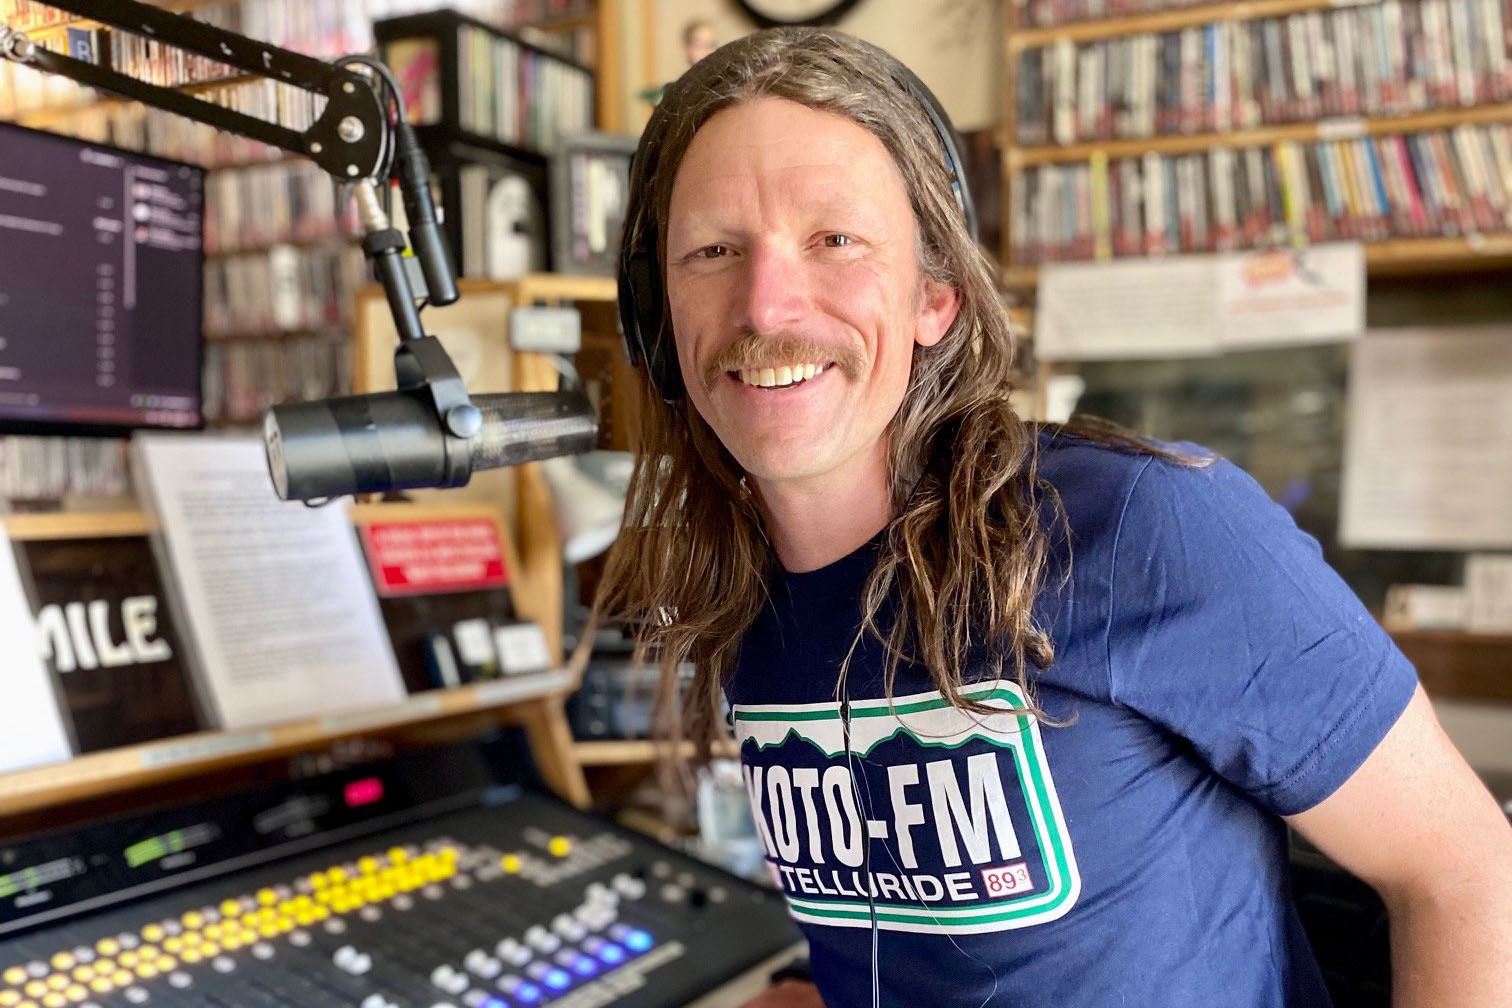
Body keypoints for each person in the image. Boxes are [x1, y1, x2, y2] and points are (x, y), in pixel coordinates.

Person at [593, 27, 1512, 1007]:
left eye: (836, 239)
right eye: (713, 249)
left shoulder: (1145, 528)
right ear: (659, 318)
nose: (766, 304)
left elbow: (1465, 874)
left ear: (934, 296)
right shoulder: (745, 595)